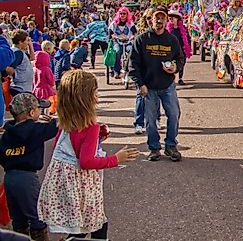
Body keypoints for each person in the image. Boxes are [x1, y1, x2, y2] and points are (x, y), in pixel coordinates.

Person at [37, 70, 139, 239]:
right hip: (83, 185)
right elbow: (86, 161)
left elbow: (64, 148)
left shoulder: (64, 122)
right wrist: (115, 159)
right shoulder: (91, 127)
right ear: (86, 97)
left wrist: (96, 141)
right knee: (97, 223)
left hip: (66, 184)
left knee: (78, 224)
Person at [128, 5, 185, 162]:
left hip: (167, 85)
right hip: (149, 87)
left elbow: (180, 58)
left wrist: (176, 67)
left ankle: (171, 146)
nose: (159, 21)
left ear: (167, 20)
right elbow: (133, 64)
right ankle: (154, 148)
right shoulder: (141, 40)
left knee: (174, 114)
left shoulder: (171, 40)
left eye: (162, 18)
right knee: (151, 120)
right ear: (150, 20)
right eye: (156, 18)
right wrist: (140, 84)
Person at [0, 94, 58, 241]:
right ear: (31, 113)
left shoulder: (7, 134)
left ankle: (20, 237)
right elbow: (56, 127)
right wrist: (52, 120)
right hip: (27, 178)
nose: (40, 111)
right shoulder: (35, 129)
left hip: (10, 178)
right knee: (37, 216)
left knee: (18, 218)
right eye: (39, 109)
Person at [108, 7, 137, 79]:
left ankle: (128, 69)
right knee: (117, 52)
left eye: (124, 14)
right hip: (117, 42)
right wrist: (114, 36)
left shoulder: (130, 23)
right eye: (121, 14)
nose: (122, 15)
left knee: (131, 51)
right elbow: (110, 33)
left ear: (127, 14)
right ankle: (116, 71)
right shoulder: (114, 23)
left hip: (128, 42)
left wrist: (133, 36)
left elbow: (134, 32)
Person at [166, 9, 192, 85]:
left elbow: (187, 38)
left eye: (172, 18)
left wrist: (188, 47)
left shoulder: (183, 28)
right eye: (170, 18)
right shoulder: (167, 29)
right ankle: (172, 78)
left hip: (181, 49)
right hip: (172, 50)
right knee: (171, 64)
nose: (171, 19)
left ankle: (180, 78)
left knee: (182, 64)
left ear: (177, 19)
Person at [7, 30, 35, 96]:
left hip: (24, 87)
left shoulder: (20, 52)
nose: (27, 43)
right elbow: (9, 69)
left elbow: (32, 58)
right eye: (26, 41)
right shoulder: (17, 53)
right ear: (20, 42)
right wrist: (16, 76)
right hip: (20, 88)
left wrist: (30, 45)